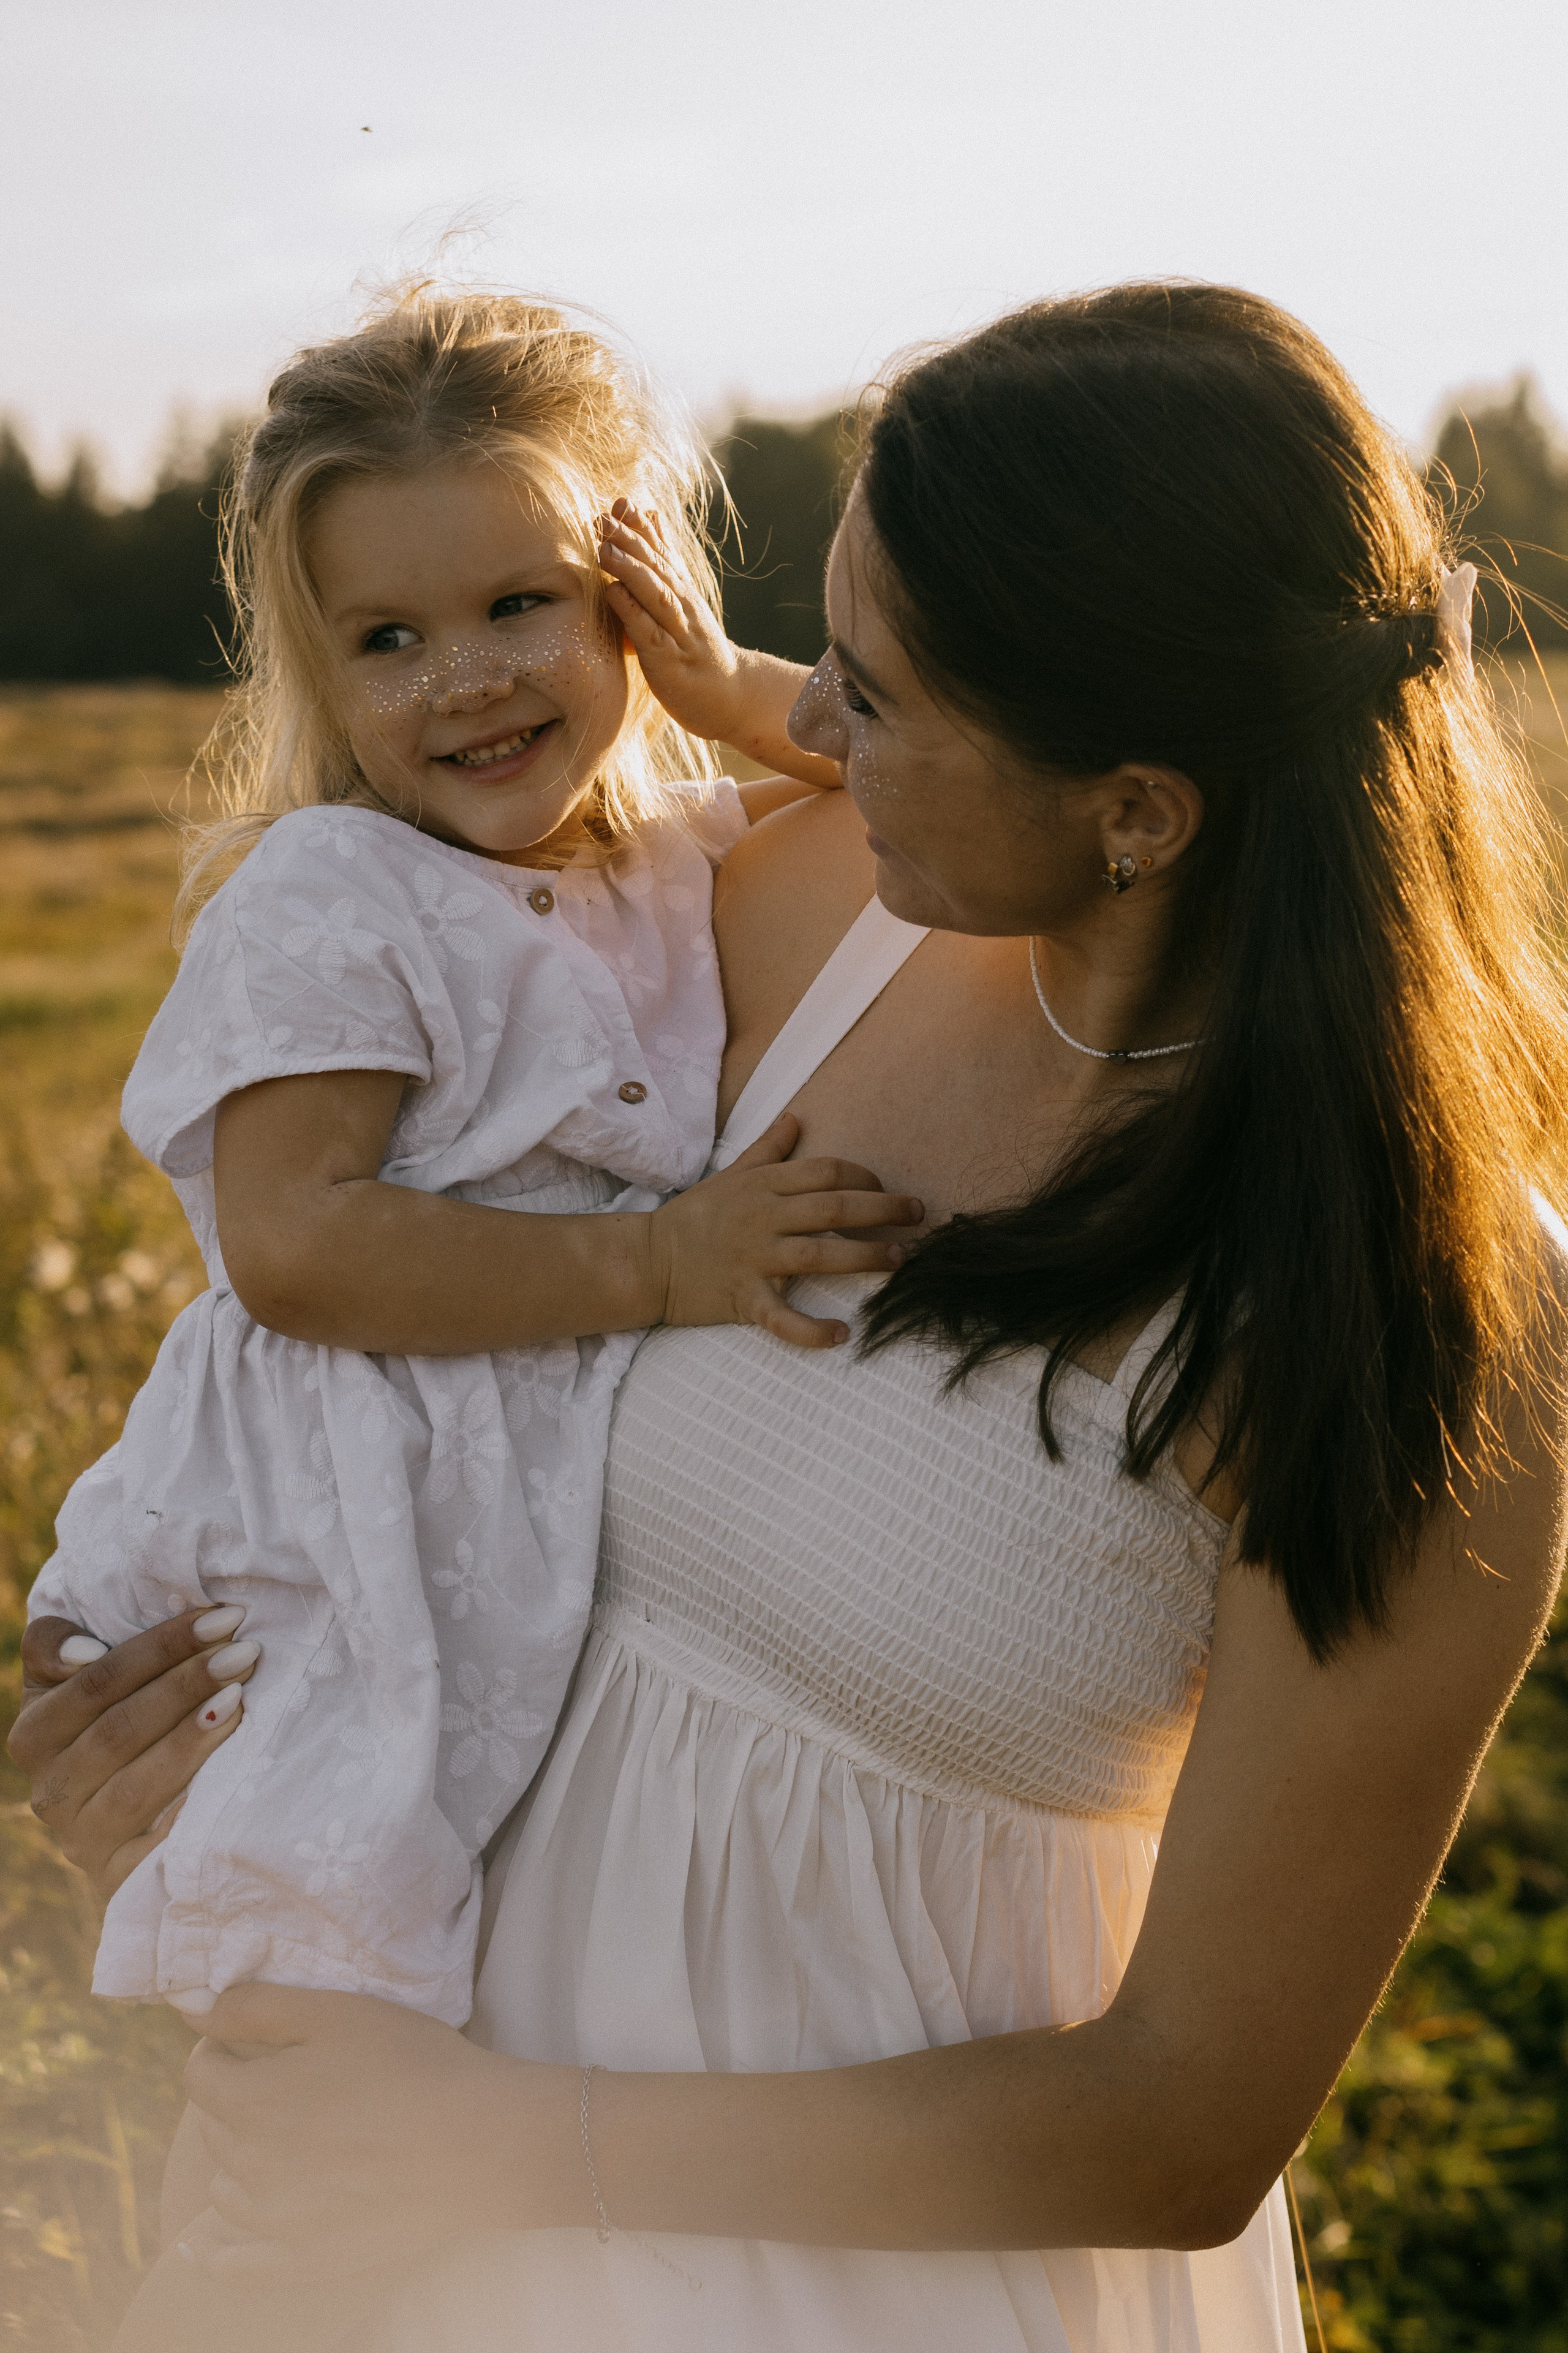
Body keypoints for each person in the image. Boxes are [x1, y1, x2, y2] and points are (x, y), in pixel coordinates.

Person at [14, 280, 1567, 2353]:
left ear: (1138, 803)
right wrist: (204, 1729)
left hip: (859, 2277)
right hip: (392, 2189)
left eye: (877, 695)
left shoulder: (1428, 1311)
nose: (782, 719)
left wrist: (512, 2150)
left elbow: (1187, 2117)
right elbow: (386, 1354)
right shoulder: (768, 915)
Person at [22, 287, 916, 2028]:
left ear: (629, 599)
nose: (472, 677)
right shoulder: (332, 897)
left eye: (525, 604)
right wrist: (658, 1266)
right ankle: (276, 2242)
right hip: (327, 1526)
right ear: (321, 668)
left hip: (496, 1506)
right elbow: (294, 1242)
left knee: (474, 1920)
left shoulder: (661, 850)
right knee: (320, 1928)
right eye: (390, 641)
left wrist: (727, 686)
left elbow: (905, 768)